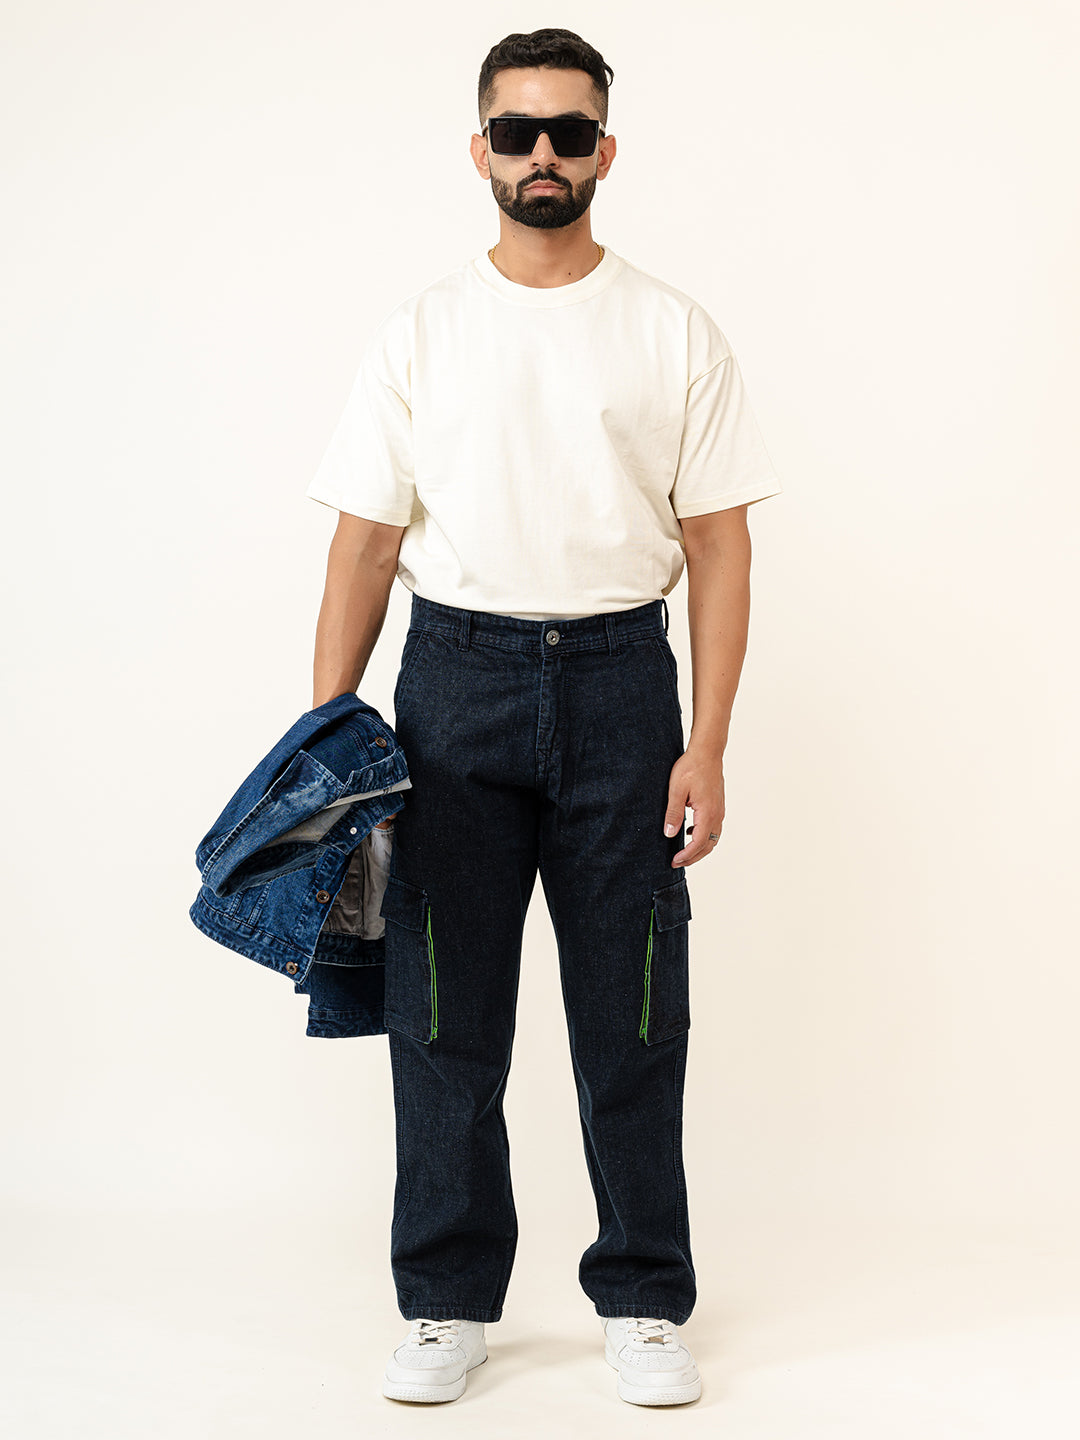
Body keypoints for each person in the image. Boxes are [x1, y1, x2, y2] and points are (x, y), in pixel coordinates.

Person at [306, 28, 783, 1408]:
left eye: (569, 132)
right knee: (441, 1014)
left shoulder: (671, 329)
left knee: (632, 1011)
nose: (543, 155)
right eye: (516, 132)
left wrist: (709, 743)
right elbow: (362, 545)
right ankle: (446, 1300)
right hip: (452, 685)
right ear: (480, 151)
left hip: (625, 687)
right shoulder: (422, 330)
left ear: (605, 152)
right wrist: (323, 744)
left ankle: (641, 1296)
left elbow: (721, 544)